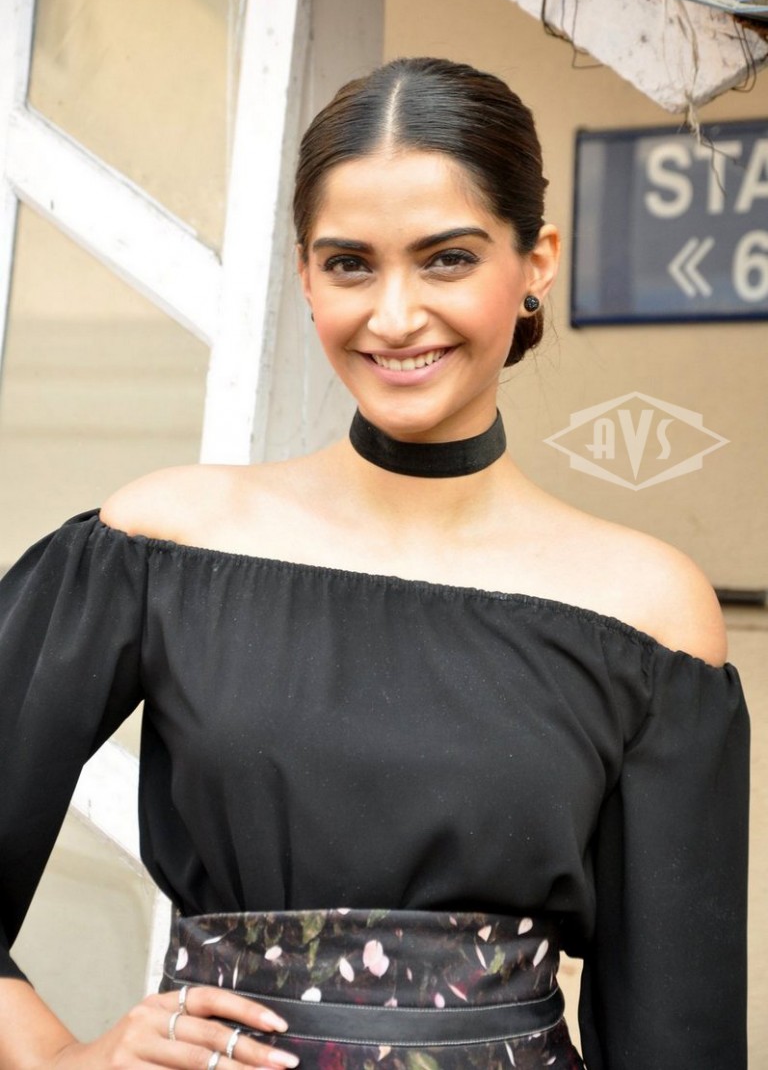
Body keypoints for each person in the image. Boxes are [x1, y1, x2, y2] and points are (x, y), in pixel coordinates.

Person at [0, 57, 749, 1070]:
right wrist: (58, 1059)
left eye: (448, 259)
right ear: (306, 274)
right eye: (351, 263)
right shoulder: (159, 549)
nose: (394, 317)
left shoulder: (648, 615)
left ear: (537, 261)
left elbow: (679, 1034)